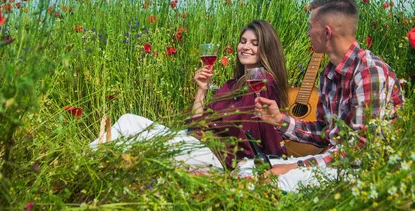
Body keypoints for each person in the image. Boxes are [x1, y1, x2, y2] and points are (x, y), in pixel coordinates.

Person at [90, 20, 290, 172]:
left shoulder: (263, 83)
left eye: (254, 43)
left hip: (215, 155)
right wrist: (202, 89)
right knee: (128, 122)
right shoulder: (231, 85)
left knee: (130, 127)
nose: (245, 47)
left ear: (266, 50)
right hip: (195, 143)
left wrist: (273, 162)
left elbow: (265, 129)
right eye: (243, 41)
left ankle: (83, 165)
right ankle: (88, 162)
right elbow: (196, 125)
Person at [253, 0, 404, 191]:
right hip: (335, 160)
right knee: (249, 168)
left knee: (277, 181)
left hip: (363, 170)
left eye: (310, 27)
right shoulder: (328, 74)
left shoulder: (369, 72)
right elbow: (325, 132)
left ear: (326, 32)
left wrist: (294, 166)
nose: (307, 33)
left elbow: (360, 150)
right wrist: (280, 120)